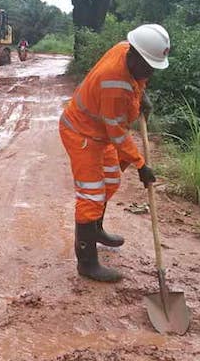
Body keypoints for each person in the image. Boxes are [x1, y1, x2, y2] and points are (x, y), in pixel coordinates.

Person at [59, 24, 170, 283]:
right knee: (91, 194)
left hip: (100, 133)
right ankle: (86, 262)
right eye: (148, 67)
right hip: (81, 133)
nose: (150, 72)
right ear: (135, 55)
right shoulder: (114, 83)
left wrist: (141, 93)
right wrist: (141, 164)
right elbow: (118, 133)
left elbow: (135, 81)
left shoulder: (126, 50)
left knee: (111, 181)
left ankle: (95, 228)